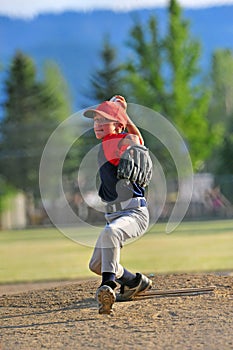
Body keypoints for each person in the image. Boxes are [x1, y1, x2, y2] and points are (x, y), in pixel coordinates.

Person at [83, 95, 152, 315]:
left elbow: (136, 140)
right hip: (114, 216)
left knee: (111, 234)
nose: (98, 125)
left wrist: (122, 113)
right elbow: (135, 137)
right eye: (96, 121)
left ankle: (108, 287)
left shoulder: (119, 142)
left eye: (104, 121)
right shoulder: (107, 144)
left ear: (118, 125)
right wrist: (118, 111)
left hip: (134, 212)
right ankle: (134, 282)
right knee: (96, 264)